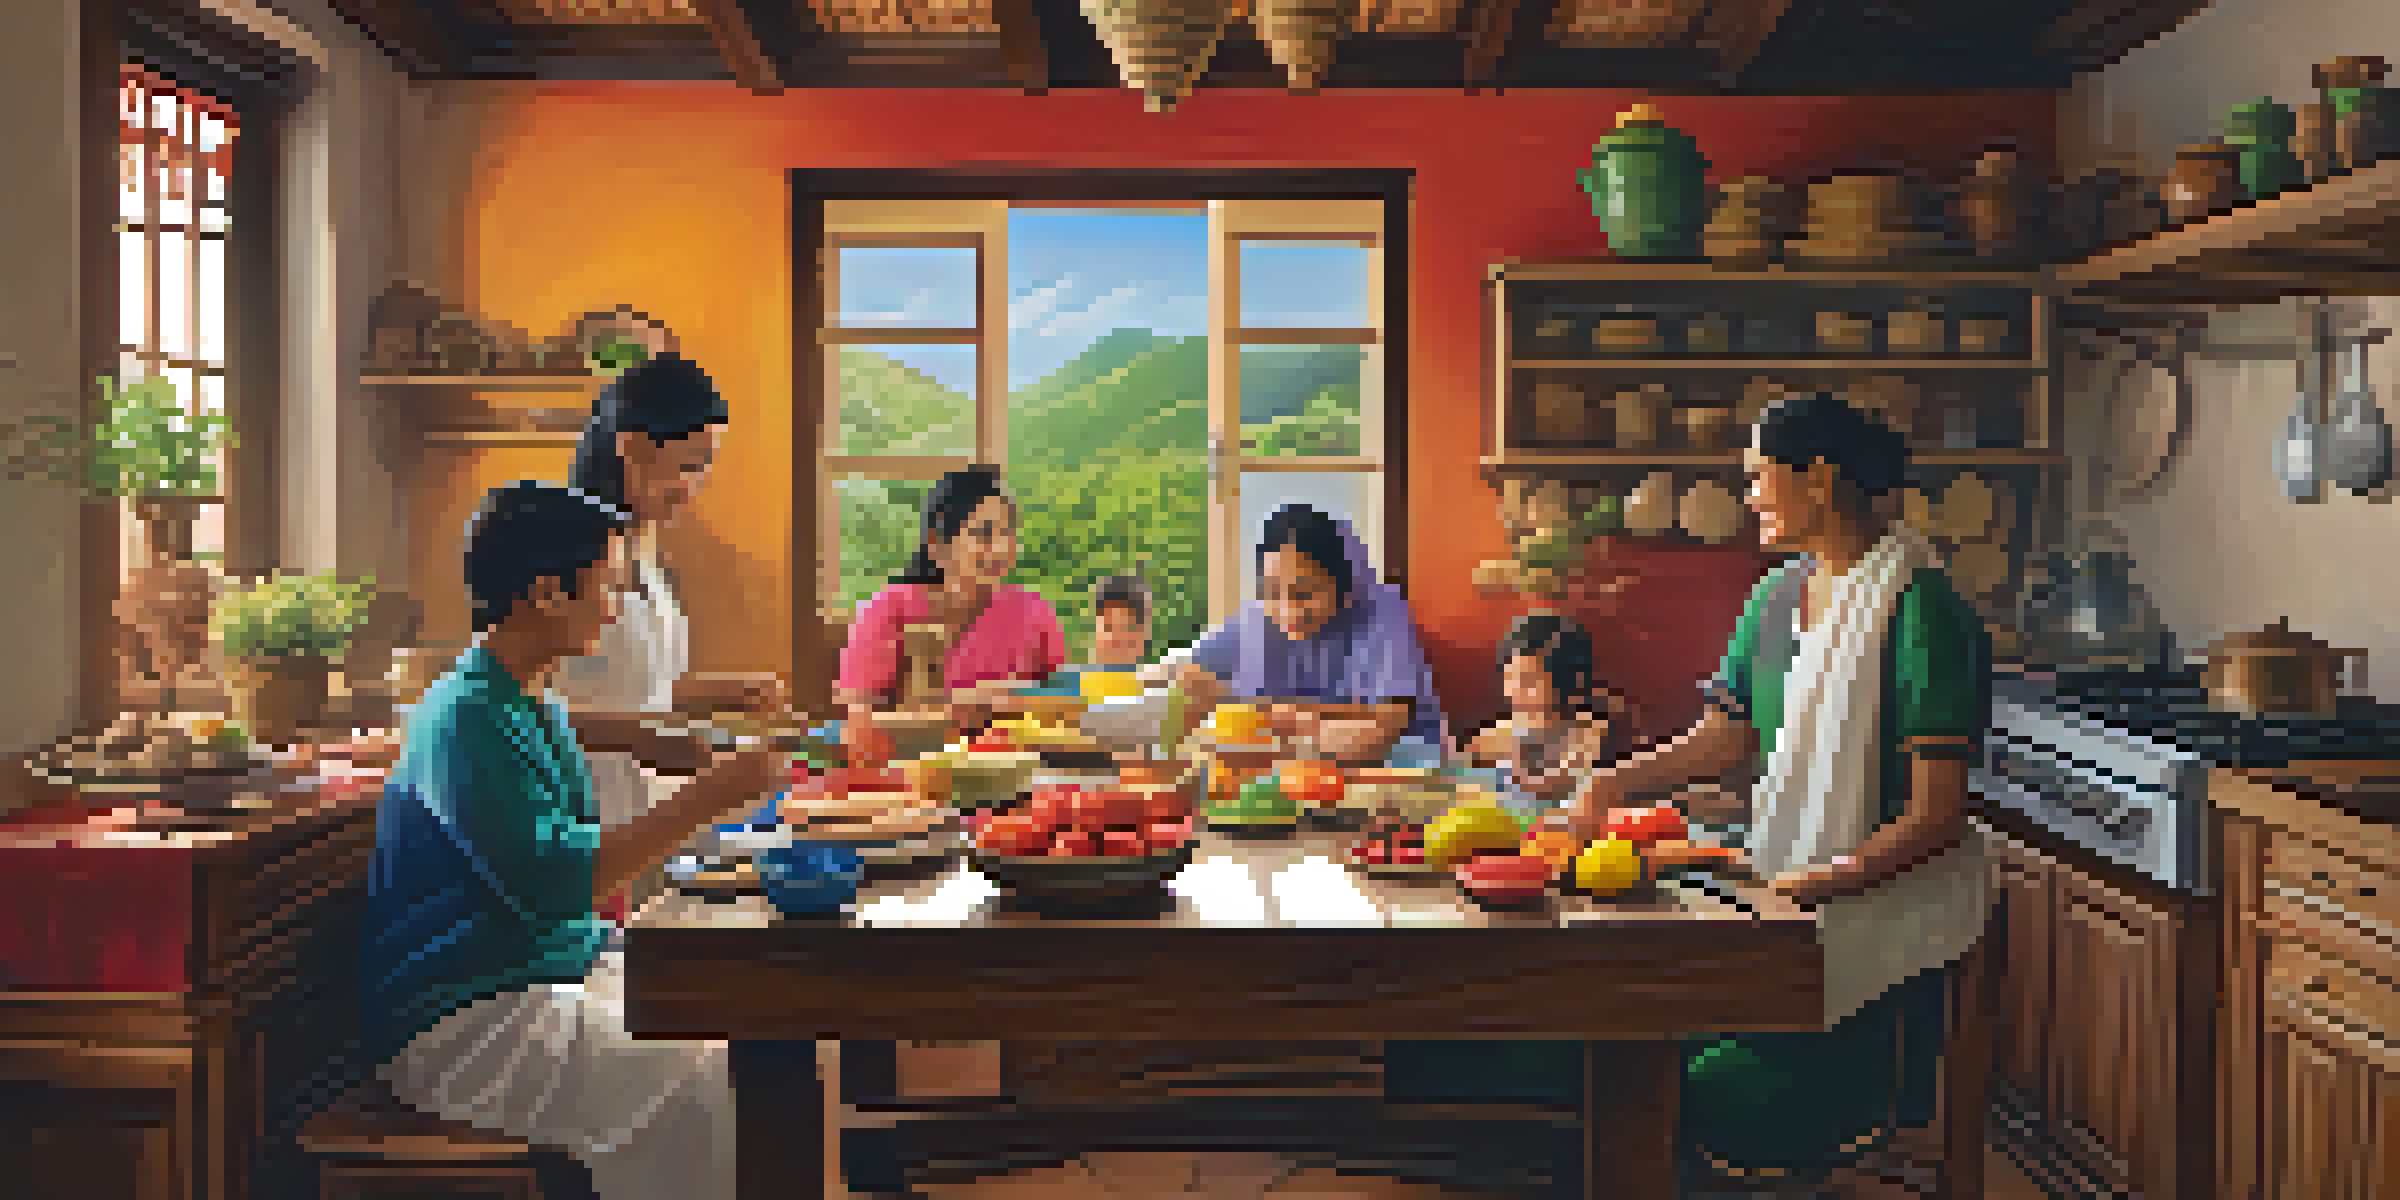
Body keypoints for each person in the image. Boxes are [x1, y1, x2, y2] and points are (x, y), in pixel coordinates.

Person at [1543, 390, 1993, 1180]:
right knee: (1616, 1046)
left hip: (1879, 910)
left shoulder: (1924, 611)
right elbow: (1726, 738)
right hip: (1785, 884)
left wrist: (1814, 884)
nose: (1749, 497)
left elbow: (1937, 817)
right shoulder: (1775, 598)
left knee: (1696, 1091)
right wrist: (1612, 782)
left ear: (1816, 478)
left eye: (1758, 477)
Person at [362, 482, 787, 1200]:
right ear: (548, 593)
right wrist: (708, 798)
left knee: (738, 1023)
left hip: (543, 974)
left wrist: (678, 767)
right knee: (693, 1071)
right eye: (608, 585)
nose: (616, 605)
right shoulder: (465, 718)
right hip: (464, 1018)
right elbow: (561, 884)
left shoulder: (528, 698)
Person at [557, 353, 792, 844]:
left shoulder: (641, 546)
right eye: (690, 466)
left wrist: (726, 691)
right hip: (568, 819)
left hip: (637, 818)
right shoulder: (558, 549)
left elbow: (624, 683)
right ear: (634, 449)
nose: (696, 487)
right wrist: (645, 738)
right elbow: (505, 713)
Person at [1174, 503, 1444, 765]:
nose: (1287, 610)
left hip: (1399, 771)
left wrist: (1284, 727)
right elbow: (1191, 678)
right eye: (1271, 592)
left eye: (1303, 594)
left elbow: (1386, 726)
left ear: (1341, 584)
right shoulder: (1257, 618)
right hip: (1296, 768)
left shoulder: (1382, 614)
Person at [838, 465, 1068, 765]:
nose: (1001, 548)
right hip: (910, 783)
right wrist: (958, 709)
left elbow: (1067, 711)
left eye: (1008, 533)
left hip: (1018, 782)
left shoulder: (1034, 612)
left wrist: (1017, 700)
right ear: (937, 545)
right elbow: (860, 732)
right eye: (984, 534)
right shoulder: (888, 612)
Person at [1465, 612, 1630, 820]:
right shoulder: (1494, 735)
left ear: (1565, 680)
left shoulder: (1588, 732)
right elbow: (1463, 782)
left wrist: (1508, 776)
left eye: (1529, 681)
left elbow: (1563, 784)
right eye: (1511, 678)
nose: (1517, 690)